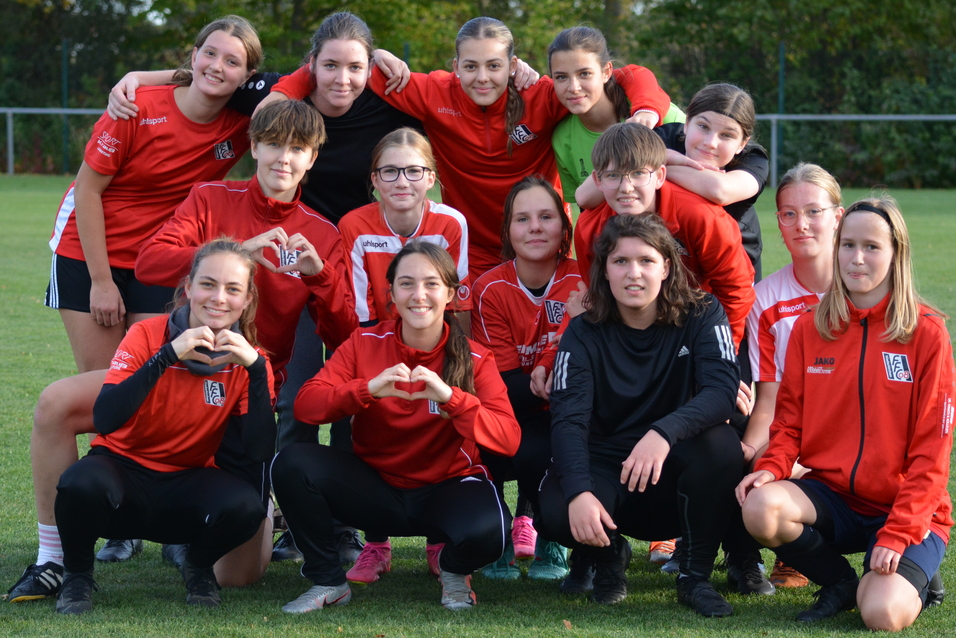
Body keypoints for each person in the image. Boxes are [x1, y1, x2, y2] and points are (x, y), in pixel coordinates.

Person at [6, 100, 351, 604]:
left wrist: (321, 277)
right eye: (273, 144)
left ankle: (189, 536)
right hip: (171, 367)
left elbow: (343, 334)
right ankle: (54, 560)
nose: (284, 157)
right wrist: (239, 251)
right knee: (56, 403)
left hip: (239, 393)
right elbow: (149, 263)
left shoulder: (321, 233)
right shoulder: (211, 197)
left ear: (312, 158)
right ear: (254, 147)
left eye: (298, 149)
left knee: (239, 574)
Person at [272, 16, 672, 281]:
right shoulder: (432, 93)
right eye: (470, 66)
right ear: (455, 65)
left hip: (541, 239)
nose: (482, 77)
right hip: (473, 250)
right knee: (482, 350)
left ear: (512, 66)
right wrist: (283, 95)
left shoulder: (542, 94)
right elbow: (334, 66)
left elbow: (628, 74)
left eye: (494, 65)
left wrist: (645, 114)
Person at [737, 196, 954, 630]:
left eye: (872, 247)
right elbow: (789, 422)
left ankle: (915, 577)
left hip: (905, 507)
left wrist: (899, 531)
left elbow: (932, 453)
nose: (857, 258)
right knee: (761, 507)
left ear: (896, 253)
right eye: (848, 245)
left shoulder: (927, 333)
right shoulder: (811, 326)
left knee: (882, 613)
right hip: (834, 496)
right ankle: (839, 583)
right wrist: (773, 467)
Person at [270, 241, 521, 612]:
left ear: (450, 294)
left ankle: (453, 570)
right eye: (406, 283)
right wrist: (367, 390)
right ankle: (328, 581)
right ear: (391, 294)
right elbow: (306, 405)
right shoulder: (364, 342)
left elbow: (508, 439)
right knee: (291, 464)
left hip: (445, 490)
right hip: (376, 490)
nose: (419, 295)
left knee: (492, 532)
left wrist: (452, 399)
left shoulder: (475, 358)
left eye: (432, 284)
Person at [50, 239, 276, 615]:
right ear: (188, 287)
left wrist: (254, 370)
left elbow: (258, 451)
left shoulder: (252, 361)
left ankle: (197, 566)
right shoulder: (146, 334)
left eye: (233, 289)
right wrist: (168, 355)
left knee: (247, 506)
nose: (219, 298)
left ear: (247, 299)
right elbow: (106, 418)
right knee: (79, 484)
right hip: (122, 473)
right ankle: (77, 575)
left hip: (186, 483)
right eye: (208, 284)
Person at [536, 214, 743, 616]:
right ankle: (608, 559)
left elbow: (722, 392)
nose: (634, 273)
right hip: (608, 467)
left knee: (722, 445)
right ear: (604, 270)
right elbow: (568, 420)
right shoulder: (583, 331)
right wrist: (579, 493)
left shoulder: (702, 312)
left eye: (646, 260)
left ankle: (694, 577)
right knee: (561, 507)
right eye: (621, 261)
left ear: (666, 267)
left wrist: (663, 433)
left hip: (674, 465)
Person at [46, 15, 262, 375]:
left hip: (157, 257)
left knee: (153, 374)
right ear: (194, 56)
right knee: (104, 380)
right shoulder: (135, 106)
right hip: (89, 253)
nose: (216, 66)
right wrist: (101, 282)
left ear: (247, 77)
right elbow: (86, 190)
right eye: (210, 54)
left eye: (232, 61)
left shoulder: (243, 123)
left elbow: (308, 85)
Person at [471, 176, 582, 579]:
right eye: (522, 219)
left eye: (546, 217)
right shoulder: (490, 288)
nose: (535, 227)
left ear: (565, 229)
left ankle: (551, 535)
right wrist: (552, 379)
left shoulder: (583, 280)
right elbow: (501, 384)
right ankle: (496, 532)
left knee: (554, 442)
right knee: (483, 435)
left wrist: (553, 377)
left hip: (564, 414)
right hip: (510, 407)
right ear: (507, 230)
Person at [744, 163, 844, 588]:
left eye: (813, 211)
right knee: (747, 462)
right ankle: (796, 551)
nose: (801, 224)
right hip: (797, 440)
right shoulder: (765, 300)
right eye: (789, 214)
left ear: (838, 217)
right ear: (779, 222)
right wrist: (748, 453)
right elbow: (768, 404)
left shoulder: (869, 289)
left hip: (860, 444)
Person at [576, 83, 767, 281]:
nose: (710, 142)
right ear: (686, 123)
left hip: (735, 257)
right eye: (703, 127)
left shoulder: (753, 159)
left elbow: (719, 190)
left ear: (742, 144)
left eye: (727, 135)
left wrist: (658, 167)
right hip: (669, 251)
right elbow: (584, 196)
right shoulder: (663, 138)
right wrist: (661, 160)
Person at [339, 127, 470, 326]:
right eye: (390, 171)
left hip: (433, 333)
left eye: (414, 171)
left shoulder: (450, 224)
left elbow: (455, 305)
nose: (402, 182)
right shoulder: (354, 227)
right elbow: (362, 315)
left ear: (430, 179)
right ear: (375, 180)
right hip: (377, 335)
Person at [547, 26, 685, 204]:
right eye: (561, 77)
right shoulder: (563, 138)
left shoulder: (661, 116)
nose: (573, 87)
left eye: (585, 74)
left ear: (606, 72)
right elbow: (581, 209)